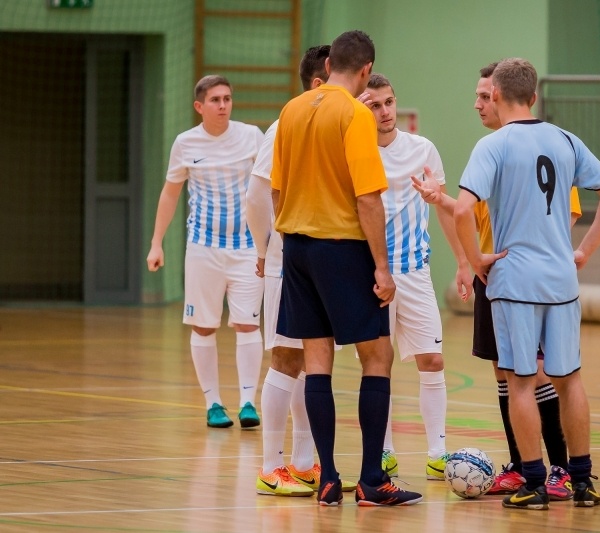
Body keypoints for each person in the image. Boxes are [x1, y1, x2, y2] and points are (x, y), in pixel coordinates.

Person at [454, 57, 600, 510]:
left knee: (522, 383)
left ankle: (533, 481)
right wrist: (584, 251)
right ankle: (582, 481)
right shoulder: (566, 140)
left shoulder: (492, 145)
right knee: (570, 381)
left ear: (495, 96)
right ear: (534, 96)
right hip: (561, 281)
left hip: (514, 281)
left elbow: (460, 210)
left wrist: (477, 261)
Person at [413, 62, 581, 500]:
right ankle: (525, 468)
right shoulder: (491, 149)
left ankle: (560, 468)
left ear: (505, 97)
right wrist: (443, 202)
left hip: (529, 278)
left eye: (485, 96)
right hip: (495, 276)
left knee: (539, 375)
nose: (478, 104)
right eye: (477, 96)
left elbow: (562, 214)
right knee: (506, 374)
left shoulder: (545, 145)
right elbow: (476, 215)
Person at [270, 30, 422, 507]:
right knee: (377, 357)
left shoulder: (293, 109)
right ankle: (374, 480)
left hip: (296, 246)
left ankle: (330, 480)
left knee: (317, 361)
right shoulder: (355, 113)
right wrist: (381, 266)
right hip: (343, 249)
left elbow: (277, 188)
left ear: (329, 62)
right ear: (363, 71)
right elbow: (367, 197)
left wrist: (294, 234)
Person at [247, 45, 357, 498]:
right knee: (287, 357)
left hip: (313, 257)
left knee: (315, 358)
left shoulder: (327, 121)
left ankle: (306, 463)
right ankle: (271, 466)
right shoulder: (285, 125)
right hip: (287, 258)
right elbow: (257, 196)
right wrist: (265, 247)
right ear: (319, 81)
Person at [357, 73, 471, 481]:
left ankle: (437, 452)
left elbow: (442, 206)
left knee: (433, 359)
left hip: (415, 272)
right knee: (378, 364)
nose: (385, 112)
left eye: (389, 102)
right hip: (371, 277)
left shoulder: (423, 149)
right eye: (374, 105)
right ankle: (384, 450)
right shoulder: (354, 152)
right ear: (361, 108)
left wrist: (461, 261)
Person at [146, 75, 265, 430]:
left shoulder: (251, 136)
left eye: (227, 98)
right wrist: (156, 243)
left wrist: (273, 240)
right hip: (203, 249)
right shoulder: (185, 143)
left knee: (247, 323)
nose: (223, 105)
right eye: (215, 100)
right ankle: (213, 403)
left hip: (247, 248)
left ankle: (247, 402)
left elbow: (269, 187)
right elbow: (170, 194)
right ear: (200, 106)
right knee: (204, 326)